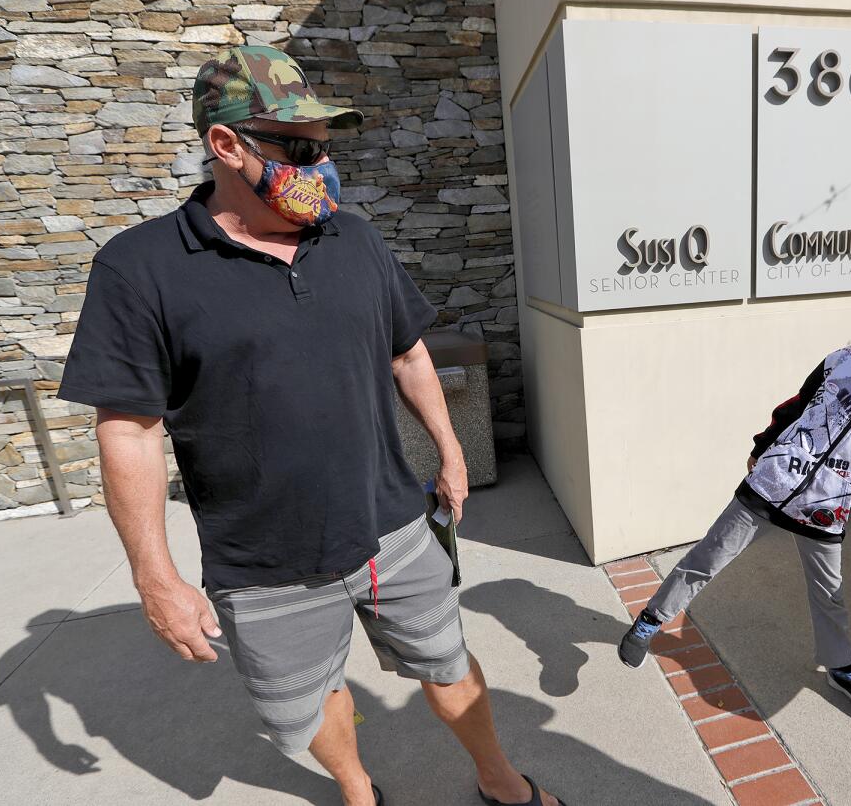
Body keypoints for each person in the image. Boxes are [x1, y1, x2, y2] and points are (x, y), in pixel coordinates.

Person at [58, 45, 563, 806]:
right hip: (263, 562)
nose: (321, 164)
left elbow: (410, 353)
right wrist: (154, 575)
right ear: (225, 144)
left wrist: (452, 452)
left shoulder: (353, 239)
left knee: (448, 661)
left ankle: (501, 780)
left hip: (392, 526)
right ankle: (359, 791)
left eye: (326, 146)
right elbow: (127, 429)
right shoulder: (140, 268)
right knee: (311, 699)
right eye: (299, 147)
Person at [618, 287, 851, 720]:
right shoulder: (842, 362)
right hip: (770, 486)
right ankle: (651, 620)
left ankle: (842, 667)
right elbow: (796, 407)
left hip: (826, 509)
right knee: (705, 558)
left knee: (829, 595)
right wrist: (765, 443)